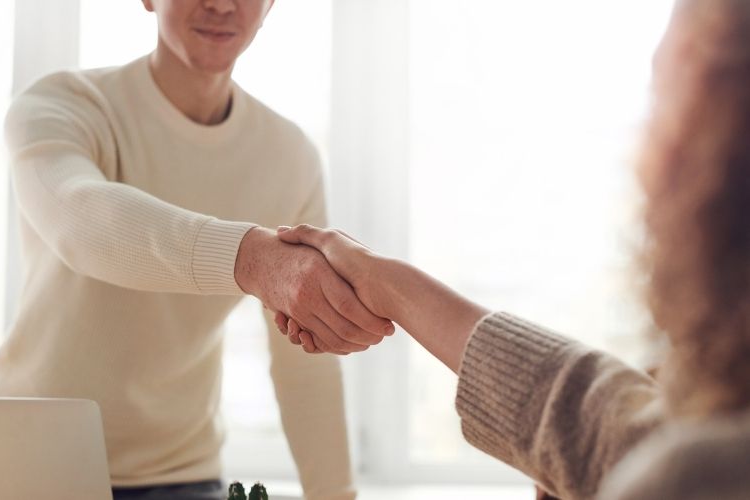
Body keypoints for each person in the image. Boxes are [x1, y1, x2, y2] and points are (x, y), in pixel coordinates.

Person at [274, 0, 750, 498]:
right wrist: (390, 285)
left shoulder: (691, 477)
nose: (642, 155)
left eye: (662, 102)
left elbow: (633, 445)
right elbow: (615, 428)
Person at [0, 1, 393, 499]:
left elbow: (304, 358)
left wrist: (336, 495)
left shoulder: (288, 156)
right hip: (24, 462)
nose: (221, 4)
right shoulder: (63, 104)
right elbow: (81, 220)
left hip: (182, 476)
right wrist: (252, 260)